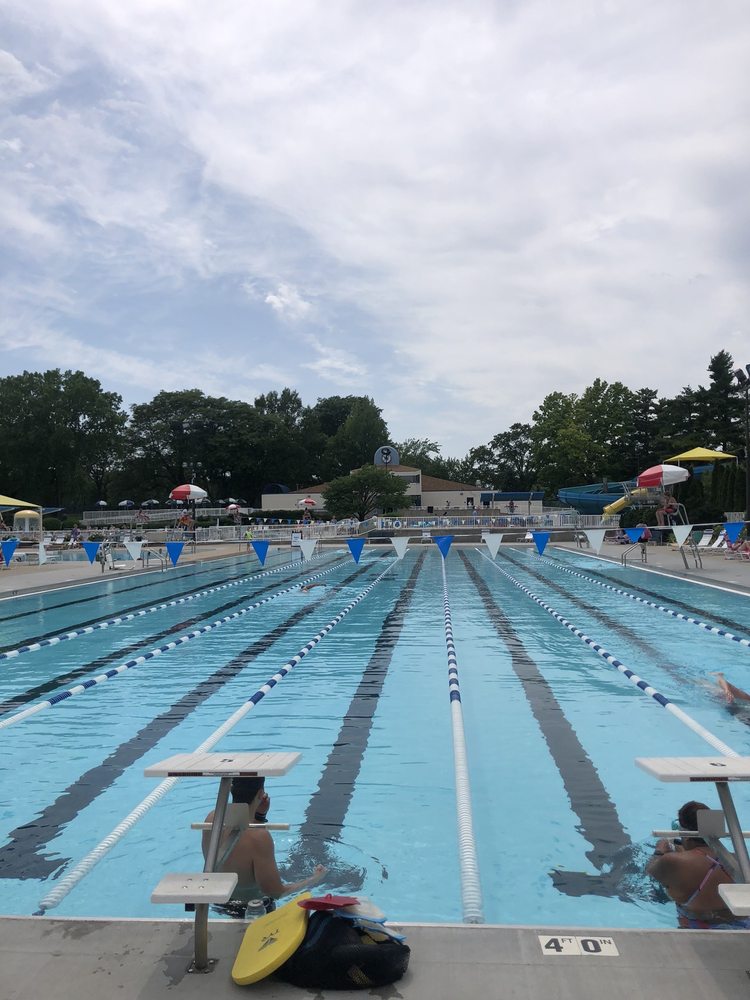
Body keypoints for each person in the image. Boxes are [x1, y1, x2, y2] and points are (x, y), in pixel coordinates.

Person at [203, 777, 326, 917]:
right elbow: (277, 893)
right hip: (251, 911)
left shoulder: (212, 818)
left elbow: (235, 849)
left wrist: (260, 816)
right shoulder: (259, 837)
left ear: (231, 788)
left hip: (218, 904)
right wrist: (314, 878)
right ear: (261, 793)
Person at [646, 800, 750, 929]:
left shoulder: (672, 860)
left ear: (685, 834)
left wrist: (659, 851)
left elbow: (650, 871)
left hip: (700, 927)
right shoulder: (741, 860)